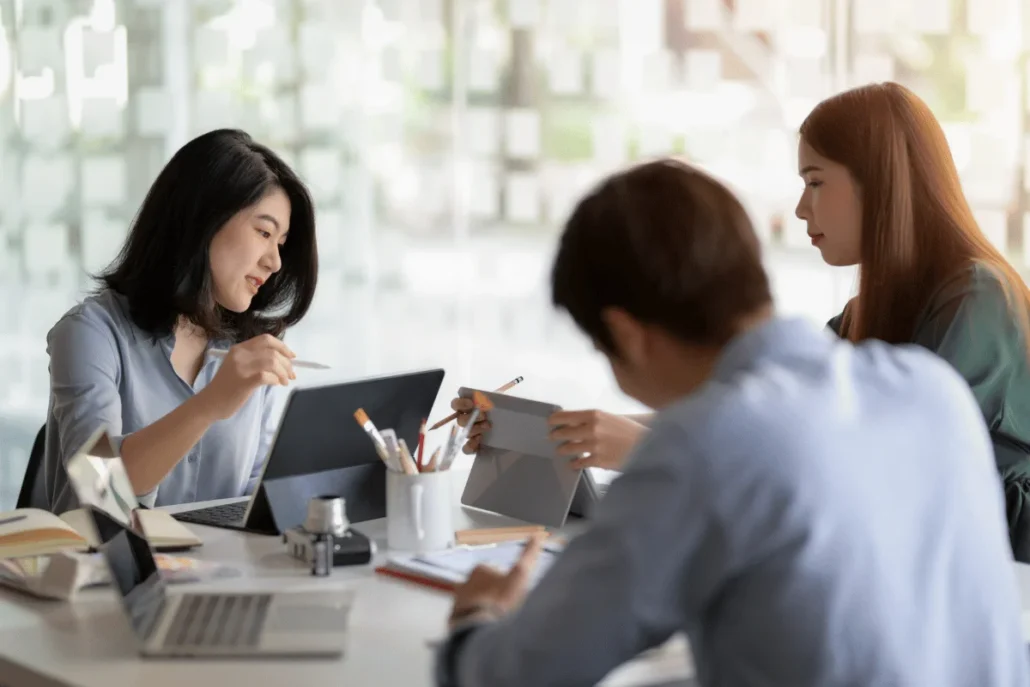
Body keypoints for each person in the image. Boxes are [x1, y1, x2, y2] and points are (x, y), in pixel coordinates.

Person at [434, 159, 1029, 687]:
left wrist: (474, 621)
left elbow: (524, 671)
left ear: (624, 334)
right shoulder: (928, 390)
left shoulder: (700, 447)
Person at [795, 81, 1030, 561]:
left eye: (815, 182)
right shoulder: (866, 312)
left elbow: (890, 459)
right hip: (925, 561)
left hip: (1001, 572)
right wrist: (615, 437)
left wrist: (658, 453)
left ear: (880, 183)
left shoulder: (977, 296)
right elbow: (780, 411)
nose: (801, 209)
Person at [43, 129, 318, 512]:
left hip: (223, 571)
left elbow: (259, 506)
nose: (274, 262)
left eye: (281, 244)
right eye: (263, 232)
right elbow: (99, 491)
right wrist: (209, 405)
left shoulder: (253, 353)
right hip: (112, 569)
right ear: (201, 221)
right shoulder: (91, 333)